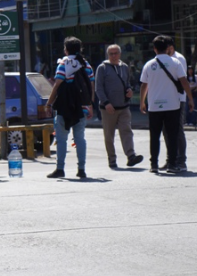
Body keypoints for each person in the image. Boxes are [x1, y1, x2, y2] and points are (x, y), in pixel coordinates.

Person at [140, 36, 194, 173]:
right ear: (167, 48)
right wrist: (190, 99)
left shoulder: (149, 64)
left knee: (155, 136)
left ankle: (154, 165)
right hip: (173, 105)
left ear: (155, 49)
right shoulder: (175, 63)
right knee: (173, 135)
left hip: (154, 106)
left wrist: (142, 102)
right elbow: (184, 82)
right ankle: (172, 164)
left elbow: (144, 85)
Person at [45, 37, 94, 179]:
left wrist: (49, 103)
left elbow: (57, 85)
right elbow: (91, 86)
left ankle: (60, 169)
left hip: (65, 107)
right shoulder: (86, 65)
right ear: (80, 49)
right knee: (80, 138)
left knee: (61, 139)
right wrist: (90, 105)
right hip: (82, 107)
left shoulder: (64, 63)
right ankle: (82, 169)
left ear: (66, 49)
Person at [94, 44, 143, 169]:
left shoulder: (125, 67)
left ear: (120, 54)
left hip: (124, 106)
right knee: (109, 135)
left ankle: (131, 155)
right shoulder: (102, 68)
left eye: (116, 53)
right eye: (111, 54)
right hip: (108, 108)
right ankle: (112, 159)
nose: (114, 56)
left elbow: (127, 83)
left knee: (126, 131)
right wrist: (106, 103)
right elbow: (98, 88)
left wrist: (129, 90)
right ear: (108, 55)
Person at [164, 37, 189, 171]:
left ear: (171, 47)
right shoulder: (162, 58)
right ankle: (171, 159)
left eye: (166, 48)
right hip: (165, 99)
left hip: (178, 98)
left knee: (178, 130)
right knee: (166, 130)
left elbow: (181, 79)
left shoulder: (179, 59)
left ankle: (181, 161)